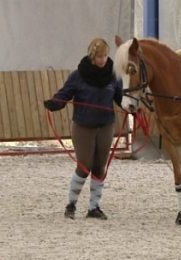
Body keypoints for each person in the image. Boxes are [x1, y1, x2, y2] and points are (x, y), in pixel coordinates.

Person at [44, 38, 123, 220]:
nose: (103, 60)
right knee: (84, 166)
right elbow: (65, 94)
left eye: (105, 55)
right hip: (83, 126)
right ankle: (71, 204)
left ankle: (94, 207)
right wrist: (54, 103)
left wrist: (131, 108)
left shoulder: (113, 74)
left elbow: (119, 97)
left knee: (99, 167)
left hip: (106, 125)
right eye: (99, 56)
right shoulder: (78, 75)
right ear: (92, 56)